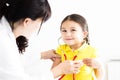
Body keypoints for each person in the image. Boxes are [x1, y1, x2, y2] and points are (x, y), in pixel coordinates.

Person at [0, 0, 82, 80]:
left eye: (73, 30)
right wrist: (58, 71)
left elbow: (10, 62)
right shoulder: (3, 41)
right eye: (39, 24)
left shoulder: (5, 34)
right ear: (27, 22)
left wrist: (43, 55)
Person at [41, 14, 104, 80]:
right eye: (64, 31)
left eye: (73, 30)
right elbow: (53, 73)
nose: (67, 34)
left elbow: (99, 77)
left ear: (84, 34)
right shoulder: (61, 49)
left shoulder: (92, 51)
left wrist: (99, 66)